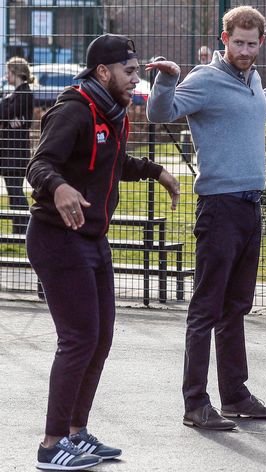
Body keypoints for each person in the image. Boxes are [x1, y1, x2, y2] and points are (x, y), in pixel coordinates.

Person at [146, 5, 266, 430]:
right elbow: (159, 114)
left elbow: (258, 107)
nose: (244, 50)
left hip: (249, 207)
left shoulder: (252, 79)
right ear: (223, 39)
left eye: (251, 43)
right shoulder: (205, 80)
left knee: (236, 307)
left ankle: (236, 396)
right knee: (206, 309)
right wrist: (167, 78)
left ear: (261, 43)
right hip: (219, 209)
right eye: (237, 42)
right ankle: (194, 403)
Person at [26, 34, 180, 470]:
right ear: (103, 72)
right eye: (130, 72)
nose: (136, 80)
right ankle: (51, 444)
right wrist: (58, 188)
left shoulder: (111, 113)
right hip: (57, 238)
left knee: (100, 339)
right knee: (78, 339)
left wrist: (157, 171)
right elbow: (37, 165)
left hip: (92, 239)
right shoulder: (74, 109)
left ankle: (77, 434)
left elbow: (114, 163)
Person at [0, 57, 35, 234]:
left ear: (17, 73)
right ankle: (19, 230)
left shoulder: (24, 93)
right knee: (13, 191)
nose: (6, 76)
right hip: (9, 153)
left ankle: (25, 228)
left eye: (8, 72)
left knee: (15, 191)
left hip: (15, 153)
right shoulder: (15, 95)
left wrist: (8, 117)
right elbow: (5, 114)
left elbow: (5, 113)